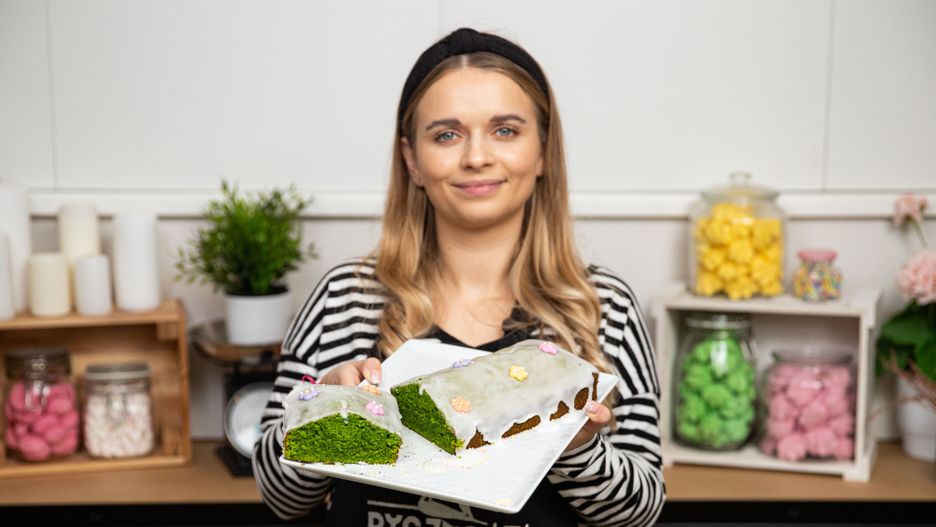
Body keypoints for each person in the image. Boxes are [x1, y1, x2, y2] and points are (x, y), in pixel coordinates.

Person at [253, 27, 665, 527]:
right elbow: (281, 500)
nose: (475, 157)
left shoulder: (603, 305)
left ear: (542, 151)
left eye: (505, 130)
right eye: (446, 135)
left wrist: (576, 448)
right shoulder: (343, 299)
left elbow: (640, 512)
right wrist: (321, 411)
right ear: (413, 160)